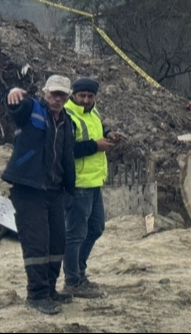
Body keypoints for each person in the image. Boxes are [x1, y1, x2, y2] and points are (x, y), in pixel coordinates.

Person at [2, 75, 77, 315]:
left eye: (62, 95)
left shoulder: (67, 121)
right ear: (45, 93)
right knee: (37, 243)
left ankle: (49, 290)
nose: (57, 98)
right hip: (29, 189)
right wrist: (13, 93)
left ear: (67, 97)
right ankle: (36, 295)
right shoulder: (31, 109)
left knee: (57, 242)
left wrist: (69, 187)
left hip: (54, 190)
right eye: (53, 93)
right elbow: (16, 108)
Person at [62, 77, 125, 299]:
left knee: (96, 228)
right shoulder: (67, 116)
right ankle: (72, 281)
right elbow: (66, 149)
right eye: (82, 96)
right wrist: (96, 146)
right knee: (75, 234)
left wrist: (108, 135)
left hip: (95, 182)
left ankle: (79, 272)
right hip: (78, 184)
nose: (86, 100)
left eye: (90, 96)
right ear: (74, 95)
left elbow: (97, 131)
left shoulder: (93, 113)